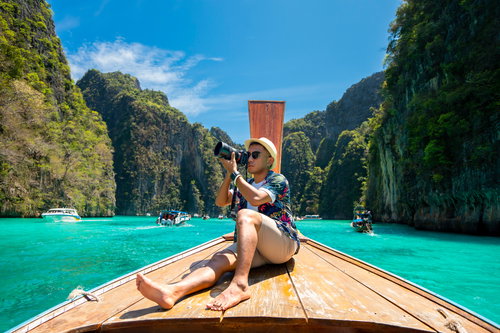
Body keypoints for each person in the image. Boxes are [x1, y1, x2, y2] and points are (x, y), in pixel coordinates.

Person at [136, 137, 300, 311]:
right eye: (248, 155)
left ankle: (239, 286)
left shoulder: (278, 180)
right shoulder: (246, 183)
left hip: (282, 245)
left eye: (255, 155)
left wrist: (236, 175)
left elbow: (256, 198)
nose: (250, 159)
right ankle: (172, 292)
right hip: (256, 250)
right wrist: (230, 174)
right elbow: (221, 201)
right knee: (218, 260)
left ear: (269, 161)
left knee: (245, 215)